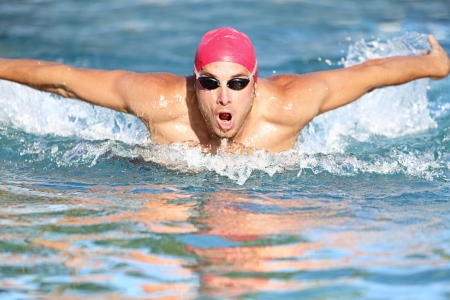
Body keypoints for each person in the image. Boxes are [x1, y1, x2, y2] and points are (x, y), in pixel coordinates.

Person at [0, 27, 449, 153]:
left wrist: (433, 65)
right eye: (210, 83)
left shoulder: (290, 105)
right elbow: (61, 77)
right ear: (194, 82)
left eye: (237, 84)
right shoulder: (159, 100)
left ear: (255, 82)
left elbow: (371, 73)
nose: (223, 97)